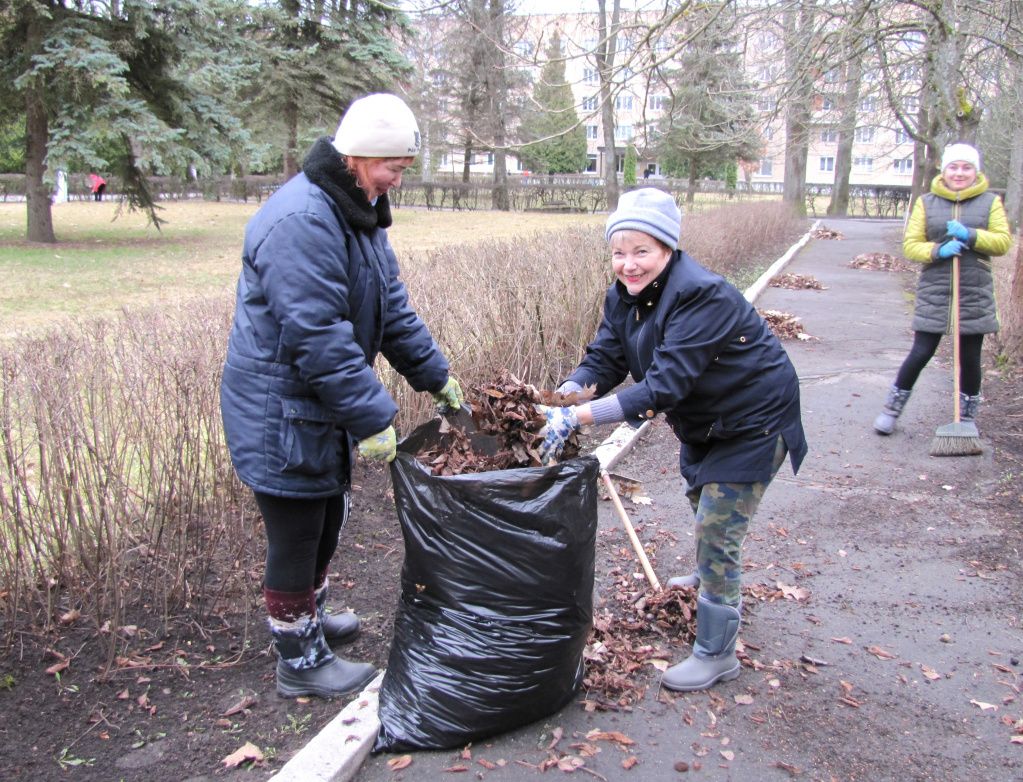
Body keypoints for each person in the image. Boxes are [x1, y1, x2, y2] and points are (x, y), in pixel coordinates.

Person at [220, 93, 464, 699]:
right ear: (356, 156)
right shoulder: (303, 219)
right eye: (393, 168)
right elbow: (317, 333)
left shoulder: (357, 210)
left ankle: (311, 615)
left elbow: (392, 310)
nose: (396, 181)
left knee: (327, 519)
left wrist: (435, 375)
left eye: (403, 169)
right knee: (298, 531)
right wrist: (373, 416)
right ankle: (298, 659)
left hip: (314, 403)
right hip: (279, 407)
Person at [538, 188, 807, 692]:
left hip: (755, 420)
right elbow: (605, 358)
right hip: (706, 420)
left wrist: (580, 419)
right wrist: (564, 397)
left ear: (667, 249)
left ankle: (715, 652)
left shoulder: (702, 295)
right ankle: (710, 576)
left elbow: (664, 386)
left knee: (717, 528)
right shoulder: (623, 296)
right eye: (619, 252)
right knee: (700, 497)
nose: (628, 264)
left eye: (641, 251)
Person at [873, 143, 1012, 435]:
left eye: (966, 167)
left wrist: (971, 235)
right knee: (921, 351)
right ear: (944, 170)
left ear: (976, 172)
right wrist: (938, 250)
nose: (959, 173)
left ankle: (966, 420)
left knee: (970, 359)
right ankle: (891, 409)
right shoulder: (927, 202)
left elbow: (1002, 242)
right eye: (954, 167)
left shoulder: (990, 202)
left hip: (974, 291)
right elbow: (911, 245)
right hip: (935, 290)